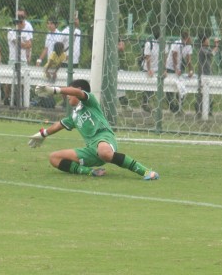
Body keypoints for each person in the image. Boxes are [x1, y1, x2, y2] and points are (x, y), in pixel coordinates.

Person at [28, 79, 159, 181]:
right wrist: (42, 134)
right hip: (91, 150)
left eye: (69, 93)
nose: (67, 96)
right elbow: (59, 125)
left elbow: (78, 93)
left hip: (104, 138)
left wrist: (55, 90)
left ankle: (146, 172)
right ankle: (90, 172)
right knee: (54, 158)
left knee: (104, 152)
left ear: (78, 90)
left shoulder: (90, 102)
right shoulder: (74, 116)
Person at [166, 30, 194, 112]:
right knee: (169, 88)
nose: (191, 40)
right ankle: (171, 107)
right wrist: (175, 69)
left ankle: (179, 107)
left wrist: (191, 70)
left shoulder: (189, 46)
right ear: (185, 39)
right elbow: (174, 57)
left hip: (180, 68)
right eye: (189, 38)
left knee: (181, 87)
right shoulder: (176, 44)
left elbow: (188, 60)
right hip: (171, 67)